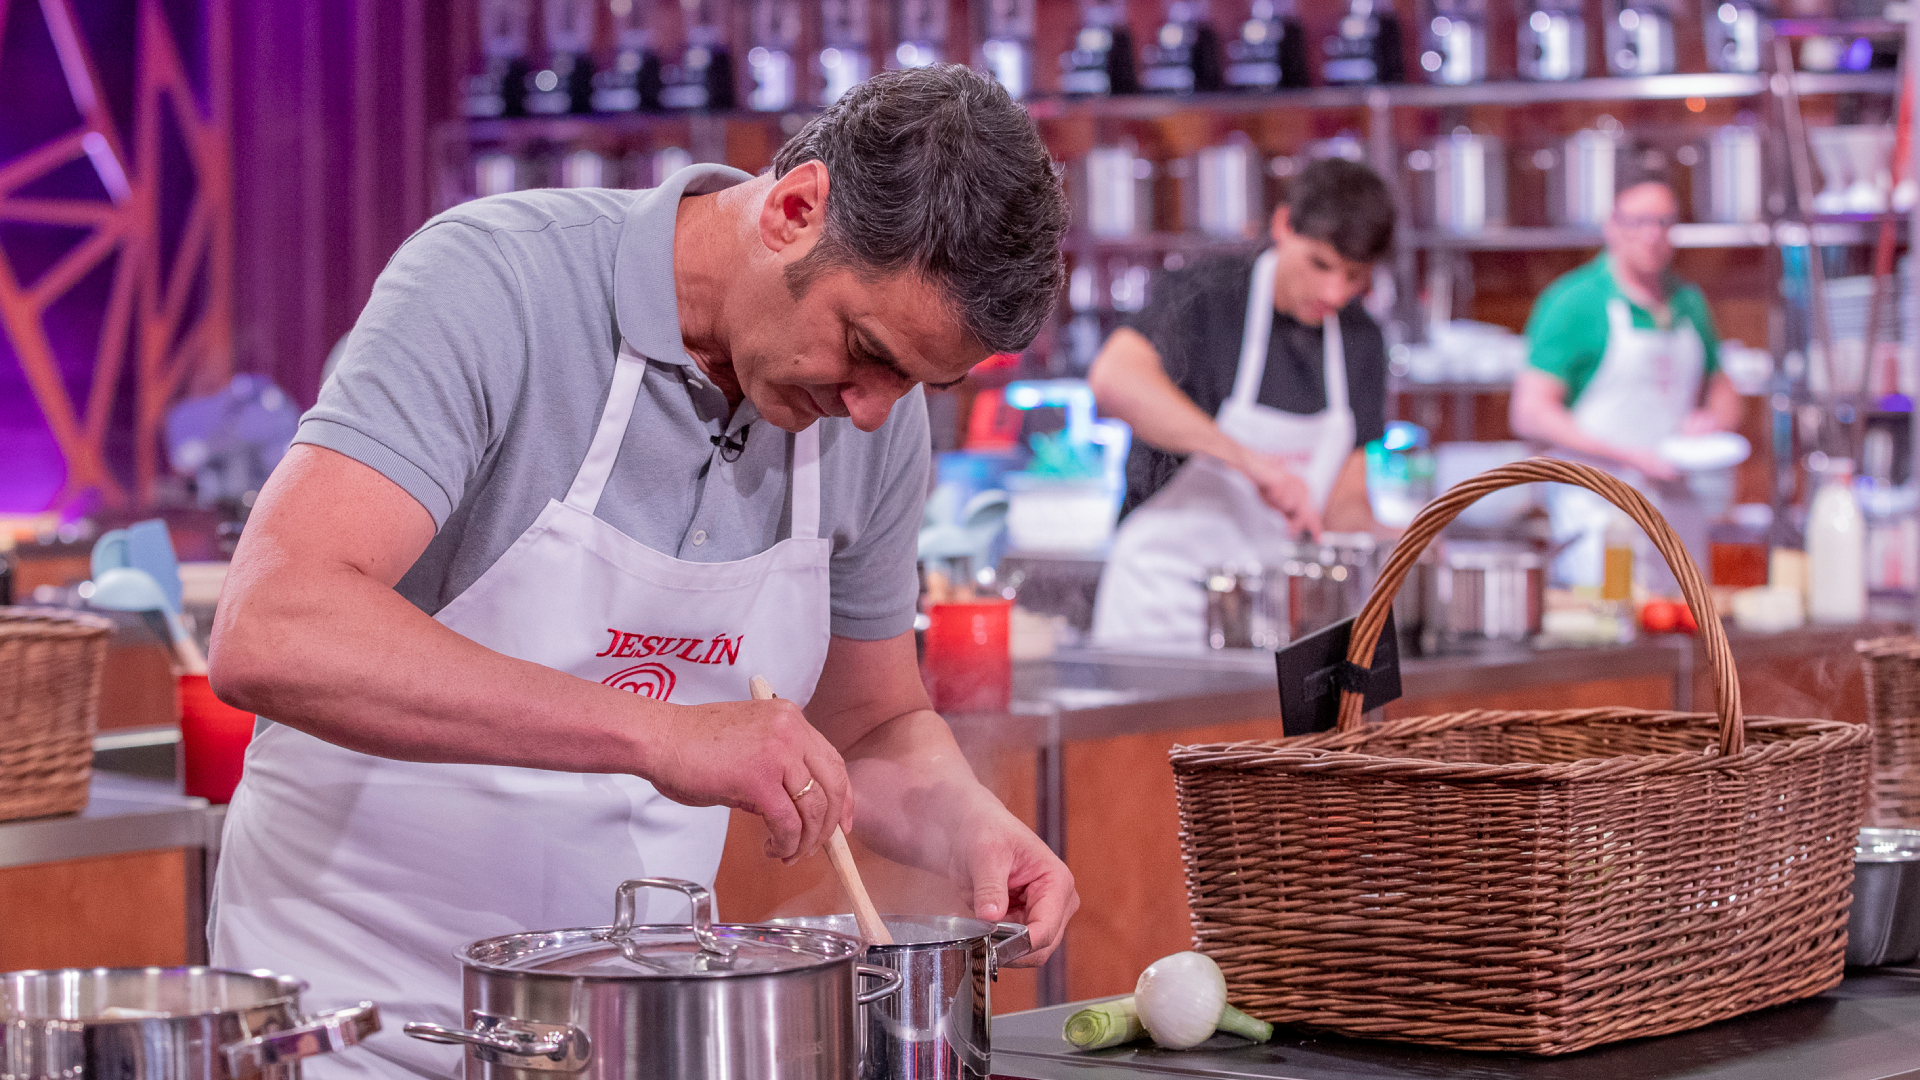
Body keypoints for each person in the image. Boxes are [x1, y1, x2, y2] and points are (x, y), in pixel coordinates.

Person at [205, 65, 1077, 1080]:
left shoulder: (870, 421)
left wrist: (967, 823)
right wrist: (661, 734)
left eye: (915, 382)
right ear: (796, 211)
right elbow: (277, 626)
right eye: (864, 349)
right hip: (357, 1020)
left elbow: (867, 724)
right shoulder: (498, 287)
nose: (877, 410)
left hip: (625, 1034)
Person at [1087, 157, 1396, 647]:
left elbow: (1342, 506)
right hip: (1162, 604)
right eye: (1320, 264)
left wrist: (1395, 540)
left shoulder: (1361, 340)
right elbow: (1114, 379)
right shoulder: (1208, 295)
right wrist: (1253, 465)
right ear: (1282, 225)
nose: (1335, 292)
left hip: (1273, 618)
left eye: (1354, 276)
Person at [1511, 163, 1739, 589]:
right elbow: (1531, 412)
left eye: (1664, 223)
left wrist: (1711, 421)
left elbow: (1725, 392)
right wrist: (1629, 456)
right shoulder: (1574, 303)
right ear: (1611, 226)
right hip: (1601, 512)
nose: (1652, 235)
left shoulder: (1689, 302)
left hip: (1676, 516)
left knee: (1688, 642)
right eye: (1638, 222)